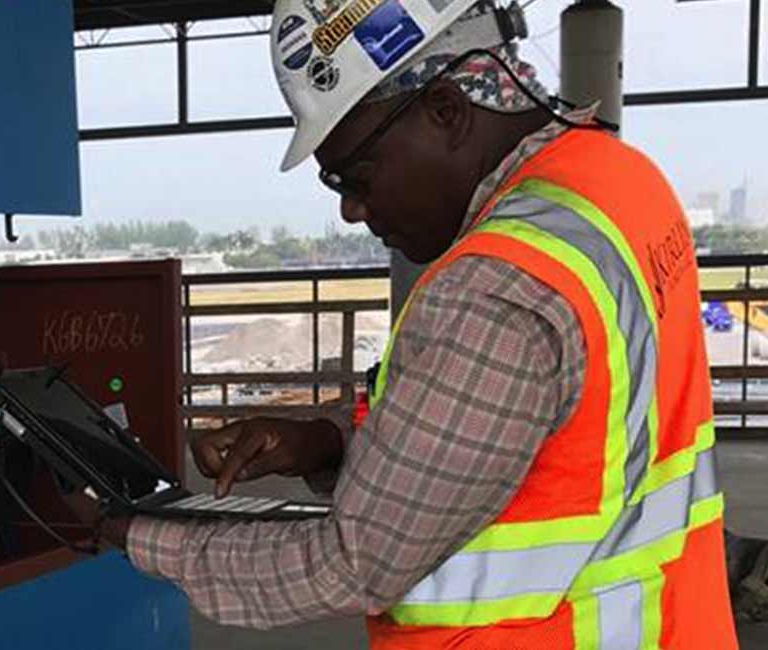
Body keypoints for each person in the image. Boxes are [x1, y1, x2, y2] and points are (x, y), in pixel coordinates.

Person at [68, 1, 739, 647]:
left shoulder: (495, 288)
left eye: (354, 177)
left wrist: (129, 531)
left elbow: (351, 562)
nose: (352, 212)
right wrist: (327, 446)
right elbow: (548, 444)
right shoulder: (616, 180)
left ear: (447, 111)